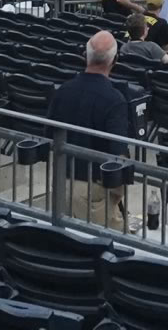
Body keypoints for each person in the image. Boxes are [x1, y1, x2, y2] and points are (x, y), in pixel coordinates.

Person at [46, 30, 132, 231]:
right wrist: (118, 192)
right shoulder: (115, 99)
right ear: (114, 61)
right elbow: (117, 152)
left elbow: (49, 133)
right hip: (93, 189)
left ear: (85, 56)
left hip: (61, 180)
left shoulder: (63, 90)